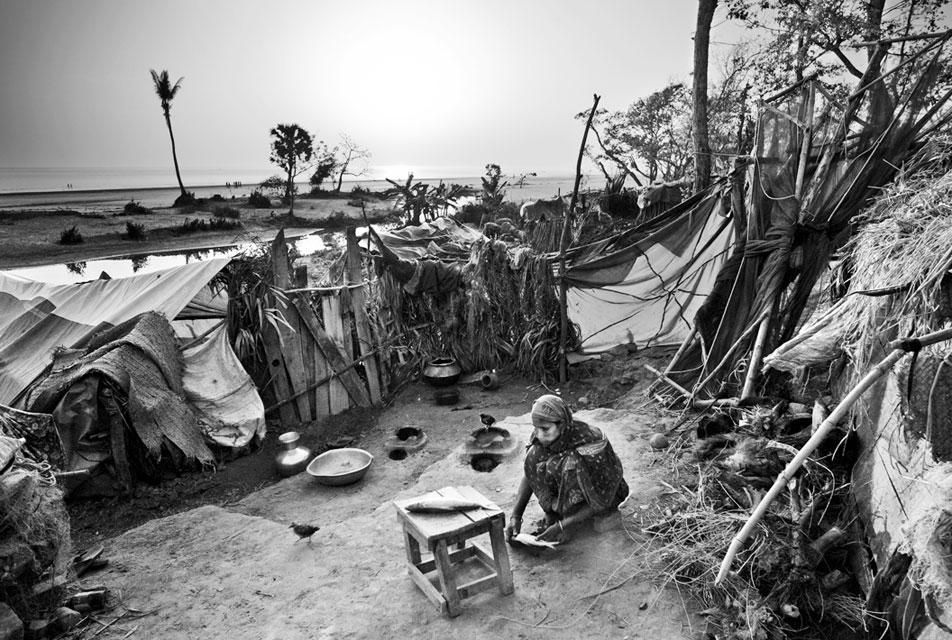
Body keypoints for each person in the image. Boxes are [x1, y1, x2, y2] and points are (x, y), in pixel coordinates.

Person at [506, 394, 629, 544]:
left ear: (562, 425)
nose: (539, 434)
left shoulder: (592, 445)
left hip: (605, 494)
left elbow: (603, 493)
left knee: (570, 465)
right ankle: (555, 512)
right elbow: (530, 472)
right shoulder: (544, 437)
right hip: (570, 495)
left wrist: (562, 526)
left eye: (545, 429)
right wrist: (516, 516)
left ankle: (573, 522)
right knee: (534, 455)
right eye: (536, 428)